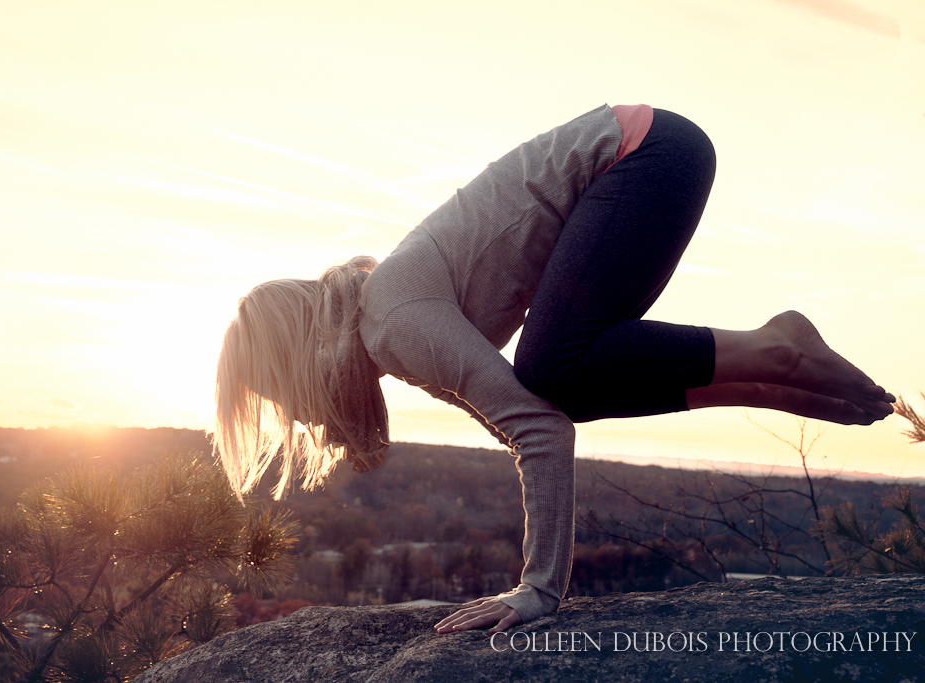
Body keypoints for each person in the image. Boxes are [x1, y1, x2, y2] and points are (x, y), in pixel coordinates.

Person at [213, 104, 895, 636]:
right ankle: (767, 378)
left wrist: (537, 589)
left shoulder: (392, 322)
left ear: (301, 357)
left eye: (283, 393)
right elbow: (531, 423)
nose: (297, 414)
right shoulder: (392, 329)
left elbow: (538, 430)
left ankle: (774, 347)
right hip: (652, 155)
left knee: (550, 369)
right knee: (559, 381)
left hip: (645, 154)